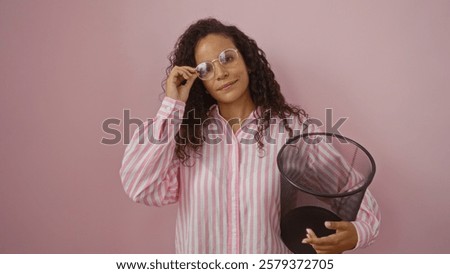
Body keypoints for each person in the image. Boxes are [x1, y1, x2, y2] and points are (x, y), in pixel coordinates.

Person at [119, 18, 380, 254]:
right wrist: (172, 106)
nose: (220, 73)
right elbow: (140, 187)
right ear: (200, 81)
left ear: (248, 62)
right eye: (205, 69)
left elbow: (349, 189)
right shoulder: (188, 135)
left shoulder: (291, 130)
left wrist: (358, 233)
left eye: (227, 59)